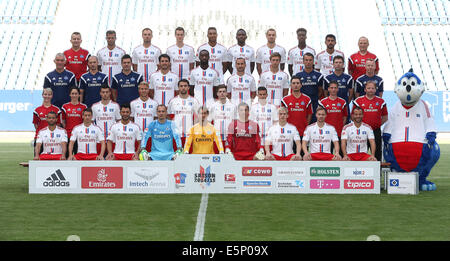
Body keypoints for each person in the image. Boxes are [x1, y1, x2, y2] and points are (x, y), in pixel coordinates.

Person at [352, 81, 388, 161]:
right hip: (361, 131)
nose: (370, 90)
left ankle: (377, 172)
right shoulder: (358, 101)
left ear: (375, 90)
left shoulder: (381, 101)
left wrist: (377, 124)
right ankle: (358, 171)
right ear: (365, 89)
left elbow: (385, 117)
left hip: (375, 131)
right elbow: (352, 116)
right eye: (368, 88)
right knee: (360, 153)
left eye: (372, 88)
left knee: (377, 153)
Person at [167, 79, 201, 148]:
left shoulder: (194, 101)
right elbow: (168, 116)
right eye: (181, 86)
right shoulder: (173, 101)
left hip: (190, 134)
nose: (183, 88)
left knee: (188, 157)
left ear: (188, 87)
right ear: (178, 87)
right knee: (177, 156)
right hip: (176, 135)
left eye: (185, 86)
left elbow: (198, 118)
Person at [281, 76, 312, 144]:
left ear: (301, 85)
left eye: (297, 83)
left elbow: (309, 114)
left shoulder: (307, 99)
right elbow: (282, 116)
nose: (296, 85)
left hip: (302, 131)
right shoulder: (285, 100)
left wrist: (306, 125)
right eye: (294, 83)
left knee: (302, 153)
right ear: (290, 85)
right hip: (289, 131)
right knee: (290, 153)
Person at [295, 53, 324, 122]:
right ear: (303, 61)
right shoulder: (298, 75)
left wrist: (315, 98)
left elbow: (320, 90)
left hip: (314, 104)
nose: (308, 62)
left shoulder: (319, 75)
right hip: (302, 104)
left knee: (313, 123)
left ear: (313, 61)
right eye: (306, 60)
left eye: (310, 60)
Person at [324, 55, 354, 122]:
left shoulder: (349, 78)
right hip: (330, 108)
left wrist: (345, 103)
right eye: (336, 62)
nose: (338, 64)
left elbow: (351, 94)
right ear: (333, 64)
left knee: (344, 126)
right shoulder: (327, 78)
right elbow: (325, 93)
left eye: (340, 62)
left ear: (343, 64)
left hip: (344, 106)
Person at [33, 88, 62, 155]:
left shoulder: (56, 110)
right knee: (38, 159)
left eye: (49, 94)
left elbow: (58, 125)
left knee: (52, 160)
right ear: (42, 95)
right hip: (40, 138)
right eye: (45, 94)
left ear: (52, 96)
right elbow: (36, 125)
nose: (47, 96)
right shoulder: (37, 110)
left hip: (52, 139)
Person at [208, 86, 236, 151]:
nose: (222, 93)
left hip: (229, 137)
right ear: (217, 94)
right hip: (216, 137)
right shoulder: (213, 106)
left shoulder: (233, 106)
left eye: (224, 91)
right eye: (220, 92)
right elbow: (209, 121)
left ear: (226, 93)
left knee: (228, 157)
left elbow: (235, 122)